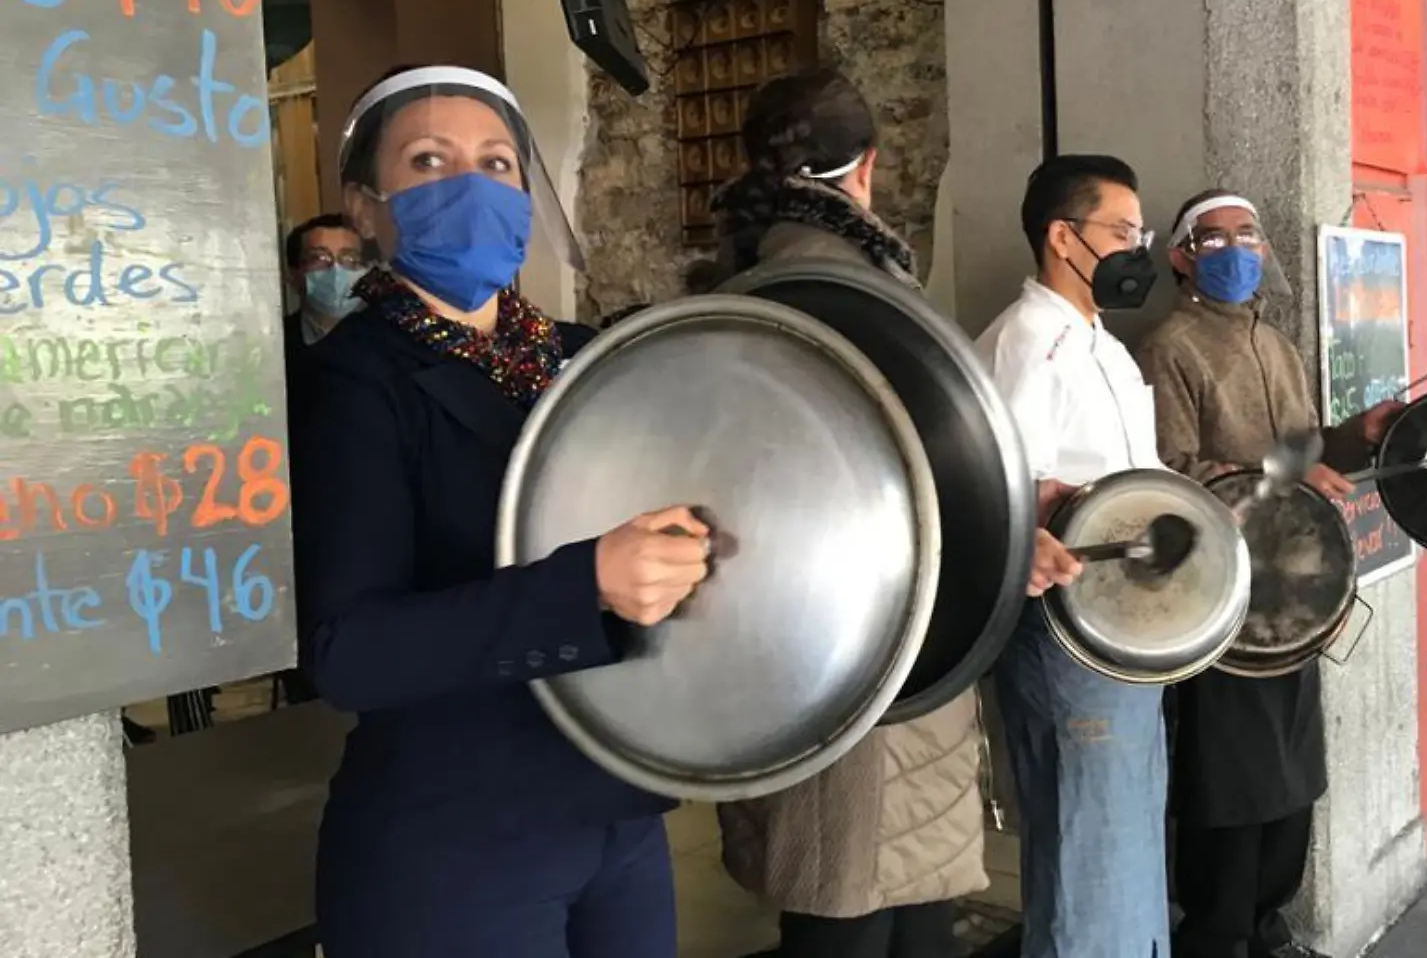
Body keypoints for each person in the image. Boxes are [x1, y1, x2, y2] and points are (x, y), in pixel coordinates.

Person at [289, 65, 713, 958]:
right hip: (453, 838)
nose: (472, 186)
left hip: (614, 810)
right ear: (367, 209)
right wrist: (583, 582)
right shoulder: (352, 383)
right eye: (431, 162)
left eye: (497, 164)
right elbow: (348, 653)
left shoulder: (581, 361)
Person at [713, 67, 1022, 958]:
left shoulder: (744, 293)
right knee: (875, 915)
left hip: (793, 662)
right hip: (895, 655)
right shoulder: (876, 298)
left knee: (843, 906)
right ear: (868, 169)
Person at [1134, 190, 1400, 958]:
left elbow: (1303, 457)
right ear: (1181, 256)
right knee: (1229, 787)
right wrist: (1277, 475)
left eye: (1250, 236)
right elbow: (1170, 477)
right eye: (1216, 241)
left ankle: (1266, 925)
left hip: (1295, 600)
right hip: (1220, 605)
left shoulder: (1275, 345)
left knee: (1290, 782)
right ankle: (1218, 935)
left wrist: (1355, 437)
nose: (1239, 252)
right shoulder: (1168, 348)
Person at [974, 154, 1168, 958]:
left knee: (1125, 816)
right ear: (1063, 236)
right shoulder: (1025, 341)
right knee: (1086, 827)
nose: (1136, 249)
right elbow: (1006, 494)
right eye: (1122, 231)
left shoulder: (1105, 346)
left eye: (1140, 233)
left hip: (1127, 623)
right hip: (1066, 628)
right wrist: (1046, 508)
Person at [283, 214, 371, 356]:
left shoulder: (393, 340)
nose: (336, 270)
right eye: (319, 258)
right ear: (294, 275)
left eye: (350, 258)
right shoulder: (276, 341)